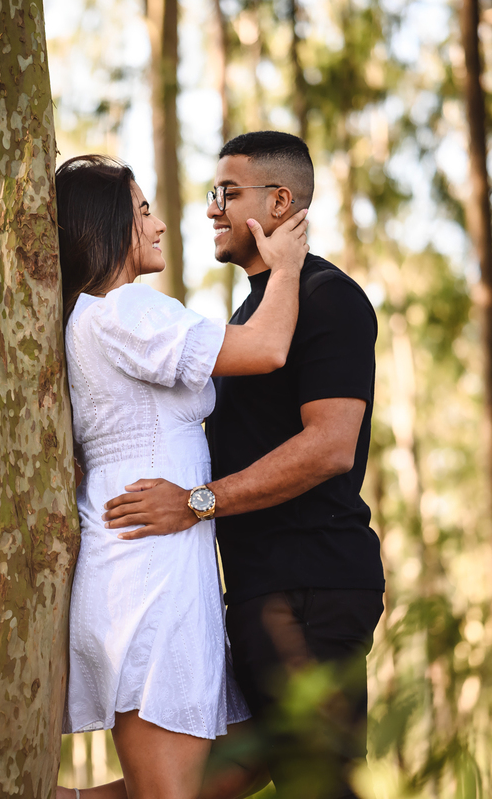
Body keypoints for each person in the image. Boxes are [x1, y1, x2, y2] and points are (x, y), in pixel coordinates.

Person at [101, 131, 385, 799]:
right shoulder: (256, 317)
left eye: (228, 193)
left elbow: (330, 445)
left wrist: (196, 501)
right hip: (260, 591)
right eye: (213, 194)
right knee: (242, 763)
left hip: (311, 588)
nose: (210, 209)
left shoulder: (327, 299)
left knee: (316, 783)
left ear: (281, 202)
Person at [54, 154, 309, 799]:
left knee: (247, 757)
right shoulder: (126, 311)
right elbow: (269, 347)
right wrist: (285, 268)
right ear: (106, 228)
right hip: (149, 574)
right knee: (173, 791)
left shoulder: (95, 321)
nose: (160, 225)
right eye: (142, 212)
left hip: (155, 563)